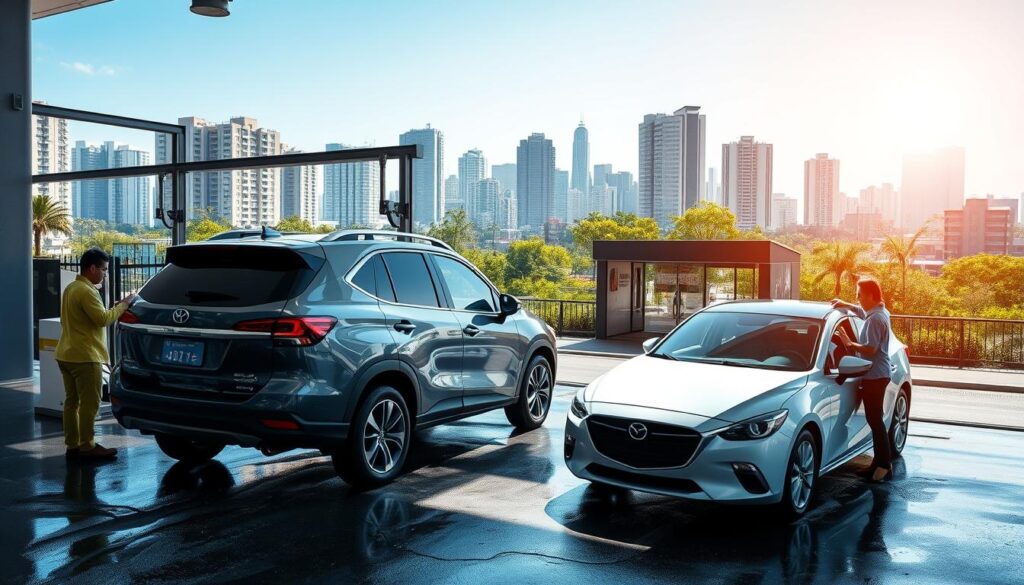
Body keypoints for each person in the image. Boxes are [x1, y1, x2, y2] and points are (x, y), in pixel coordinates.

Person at [55, 248, 136, 461]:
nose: (105, 274)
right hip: (85, 356)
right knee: (90, 405)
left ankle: (72, 445)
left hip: (66, 352)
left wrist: (114, 308)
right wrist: (125, 305)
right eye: (104, 269)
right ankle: (88, 446)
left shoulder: (71, 288)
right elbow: (102, 319)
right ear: (92, 268)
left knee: (72, 403)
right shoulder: (87, 291)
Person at [831, 278, 894, 483]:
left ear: (870, 295)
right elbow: (861, 313)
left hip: (875, 375)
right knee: (875, 420)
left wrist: (850, 343)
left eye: (859, 295)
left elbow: (871, 348)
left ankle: (884, 465)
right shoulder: (879, 312)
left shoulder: (876, 319)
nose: (857, 298)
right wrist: (846, 305)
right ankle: (878, 463)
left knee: (875, 420)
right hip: (878, 374)